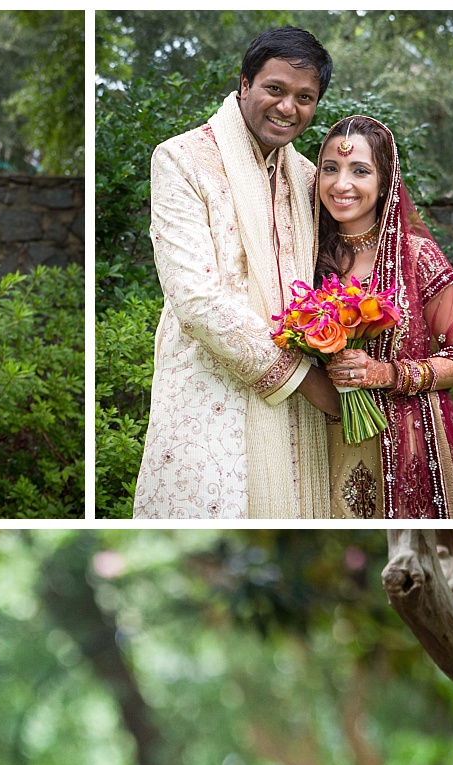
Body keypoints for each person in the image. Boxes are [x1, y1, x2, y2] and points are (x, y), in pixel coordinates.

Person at [134, 27, 338, 520]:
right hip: (209, 395)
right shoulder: (183, 160)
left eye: (304, 97)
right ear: (244, 84)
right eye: (275, 89)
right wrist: (304, 379)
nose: (288, 108)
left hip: (299, 416)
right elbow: (195, 299)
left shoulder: (310, 178)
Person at [317, 117, 453, 518]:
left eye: (360, 170)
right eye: (330, 168)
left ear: (385, 180)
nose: (341, 184)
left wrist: (387, 374)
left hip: (410, 442)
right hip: (321, 443)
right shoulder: (306, 257)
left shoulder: (417, 256)